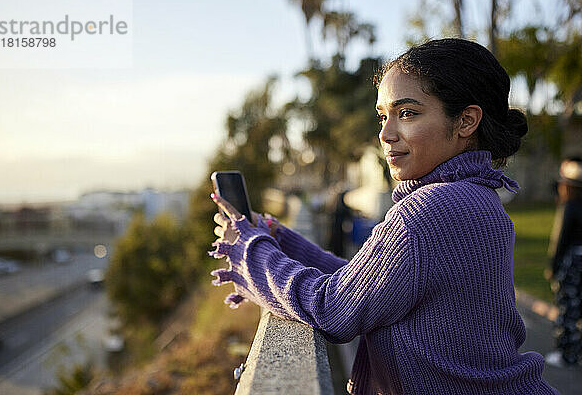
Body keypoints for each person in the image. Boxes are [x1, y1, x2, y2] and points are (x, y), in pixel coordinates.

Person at [209, 38, 559, 394]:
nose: (386, 134)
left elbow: (333, 309)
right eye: (383, 115)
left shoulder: (431, 209)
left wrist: (250, 250)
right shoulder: (477, 197)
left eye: (407, 113)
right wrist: (277, 238)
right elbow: (364, 285)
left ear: (466, 121)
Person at [546, 157, 582, 367]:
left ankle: (567, 354)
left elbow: (560, 239)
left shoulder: (570, 207)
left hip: (573, 262)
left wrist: (553, 267)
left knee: (568, 307)